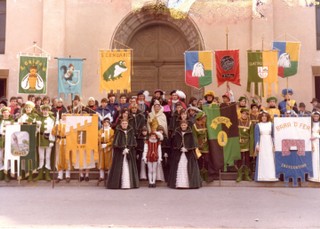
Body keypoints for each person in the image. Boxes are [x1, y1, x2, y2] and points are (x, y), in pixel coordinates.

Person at [168, 120, 202, 189]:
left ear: (187, 125)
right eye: (182, 125)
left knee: (189, 167)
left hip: (189, 154)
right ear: (180, 125)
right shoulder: (177, 133)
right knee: (179, 166)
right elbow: (174, 142)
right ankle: (179, 184)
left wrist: (188, 149)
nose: (183, 126)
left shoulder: (191, 133)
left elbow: (194, 143)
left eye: (185, 125)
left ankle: (189, 184)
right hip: (179, 153)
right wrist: (178, 148)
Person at [107, 119, 139, 189]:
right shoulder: (118, 131)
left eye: (126, 123)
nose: (124, 125)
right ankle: (118, 184)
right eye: (123, 123)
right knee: (119, 167)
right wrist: (122, 149)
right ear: (121, 124)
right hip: (119, 153)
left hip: (129, 152)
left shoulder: (131, 131)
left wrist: (128, 149)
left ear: (127, 124)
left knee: (128, 166)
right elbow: (116, 143)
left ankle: (128, 184)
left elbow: (133, 142)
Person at [254, 111, 278, 181]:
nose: (264, 117)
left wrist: (274, 145)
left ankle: (271, 176)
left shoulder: (271, 124)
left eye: (265, 116)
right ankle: (261, 176)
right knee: (262, 158)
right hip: (262, 143)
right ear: (260, 117)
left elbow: (273, 136)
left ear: (267, 117)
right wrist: (257, 145)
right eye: (262, 116)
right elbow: (256, 136)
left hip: (269, 143)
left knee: (270, 158)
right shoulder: (258, 125)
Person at [34, 104, 55, 181]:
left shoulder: (52, 119)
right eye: (44, 110)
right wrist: (37, 126)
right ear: (42, 110)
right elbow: (35, 131)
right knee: (41, 157)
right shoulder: (38, 118)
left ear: (48, 111)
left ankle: (47, 174)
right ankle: (40, 174)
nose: (45, 111)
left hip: (48, 139)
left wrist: (52, 140)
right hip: (40, 139)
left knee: (48, 157)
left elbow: (53, 131)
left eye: (46, 110)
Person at [52, 113, 71, 183]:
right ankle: (60, 175)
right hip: (60, 141)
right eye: (63, 116)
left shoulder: (69, 124)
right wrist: (56, 130)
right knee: (59, 158)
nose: (64, 117)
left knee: (67, 157)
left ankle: (67, 175)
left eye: (65, 115)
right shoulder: (58, 123)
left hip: (67, 141)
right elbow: (53, 132)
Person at [192, 112, 209, 182]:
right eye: (204, 118)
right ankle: (200, 176)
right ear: (200, 118)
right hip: (199, 147)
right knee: (200, 161)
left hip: (206, 146)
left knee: (207, 160)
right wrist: (197, 146)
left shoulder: (206, 125)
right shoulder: (195, 126)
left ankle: (206, 175)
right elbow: (194, 137)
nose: (205, 119)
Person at [236, 108, 252, 182]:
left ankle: (246, 175)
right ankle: (239, 175)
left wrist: (251, 146)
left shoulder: (250, 123)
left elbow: (251, 135)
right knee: (240, 159)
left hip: (247, 144)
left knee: (247, 160)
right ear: (241, 114)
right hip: (239, 143)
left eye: (246, 114)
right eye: (243, 113)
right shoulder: (237, 122)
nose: (244, 115)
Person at [98, 116, 114, 185]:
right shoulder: (100, 131)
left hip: (108, 148)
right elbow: (97, 139)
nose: (106, 124)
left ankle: (109, 175)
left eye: (107, 123)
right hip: (101, 147)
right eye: (104, 123)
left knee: (108, 162)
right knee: (101, 162)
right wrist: (101, 138)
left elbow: (112, 140)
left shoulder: (112, 131)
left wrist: (107, 144)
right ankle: (101, 176)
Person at [0, 107, 15, 181]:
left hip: (8, 140)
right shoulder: (0, 121)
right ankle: (1, 172)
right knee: (0, 157)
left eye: (7, 112)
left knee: (7, 157)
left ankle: (7, 173)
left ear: (9, 113)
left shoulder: (12, 121)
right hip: (0, 140)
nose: (5, 114)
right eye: (4, 112)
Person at [309, 111, 320, 182]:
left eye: (317, 116)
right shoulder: (311, 124)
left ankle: (318, 175)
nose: (316, 117)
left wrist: (316, 136)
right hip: (311, 142)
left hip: (317, 141)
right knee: (312, 158)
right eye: (314, 116)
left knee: (317, 157)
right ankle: (312, 175)